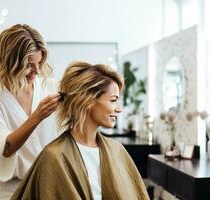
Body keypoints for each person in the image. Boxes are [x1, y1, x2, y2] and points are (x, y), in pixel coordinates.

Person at [11, 62, 150, 200]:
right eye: (113, 100)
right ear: (88, 100)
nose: (119, 109)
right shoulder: (54, 156)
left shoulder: (117, 150)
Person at [0, 24, 61, 200]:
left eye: (39, 63)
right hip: (11, 192)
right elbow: (4, 149)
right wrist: (37, 116)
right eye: (29, 65)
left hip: (50, 188)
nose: (37, 71)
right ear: (10, 62)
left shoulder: (51, 88)